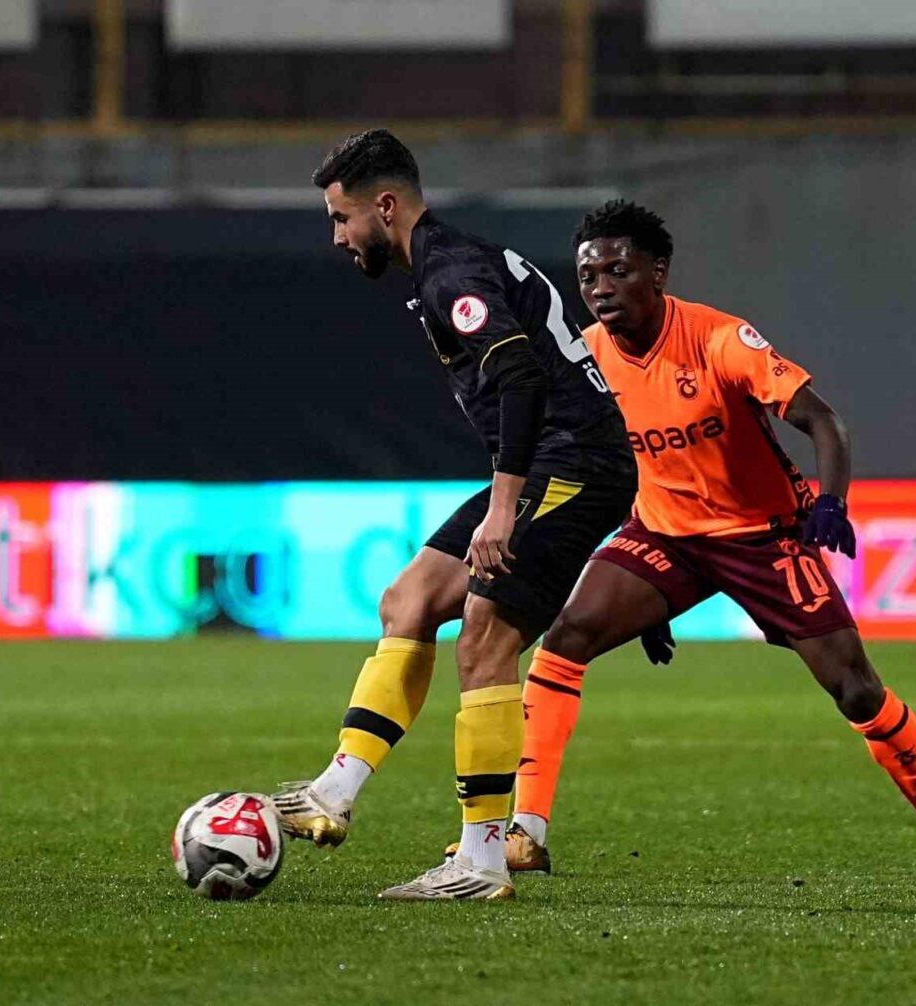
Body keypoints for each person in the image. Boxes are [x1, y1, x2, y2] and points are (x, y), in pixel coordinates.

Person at [491, 200, 916, 879]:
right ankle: (525, 831)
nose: (601, 288)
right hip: (664, 535)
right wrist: (646, 592)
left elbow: (825, 422)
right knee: (567, 637)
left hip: (763, 537)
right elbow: (615, 461)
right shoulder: (589, 359)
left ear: (657, 272)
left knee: (855, 690)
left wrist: (831, 502)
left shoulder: (720, 339)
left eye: (618, 271)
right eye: (588, 277)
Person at [272, 131, 637, 901]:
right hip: (553, 461)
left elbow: (520, 377)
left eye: (341, 218)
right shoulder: (448, 263)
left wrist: (503, 508)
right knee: (407, 600)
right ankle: (333, 793)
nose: (337, 237)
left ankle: (481, 860)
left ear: (385, 206)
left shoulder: (452, 273)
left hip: (577, 464)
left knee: (485, 637)